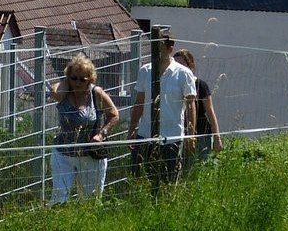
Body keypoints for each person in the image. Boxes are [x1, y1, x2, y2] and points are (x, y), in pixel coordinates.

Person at [126, 34, 196, 191]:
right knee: (139, 179)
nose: (155, 51)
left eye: (159, 47)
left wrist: (191, 135)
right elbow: (139, 103)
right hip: (145, 134)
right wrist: (132, 130)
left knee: (169, 181)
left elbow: (191, 105)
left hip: (172, 136)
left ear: (169, 48)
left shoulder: (183, 73)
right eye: (153, 47)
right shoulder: (145, 71)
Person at [48, 54, 120, 203]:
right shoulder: (63, 93)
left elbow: (114, 115)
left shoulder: (96, 93)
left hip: (90, 155)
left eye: (82, 79)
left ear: (90, 79)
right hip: (63, 154)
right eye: (74, 78)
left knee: (90, 201)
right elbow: (54, 93)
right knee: (59, 198)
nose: (78, 82)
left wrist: (101, 134)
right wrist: (66, 82)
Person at [172, 49, 223, 170]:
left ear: (191, 66)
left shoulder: (200, 85)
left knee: (199, 168)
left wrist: (217, 138)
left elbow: (210, 113)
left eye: (182, 64)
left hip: (201, 135)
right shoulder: (172, 86)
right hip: (178, 134)